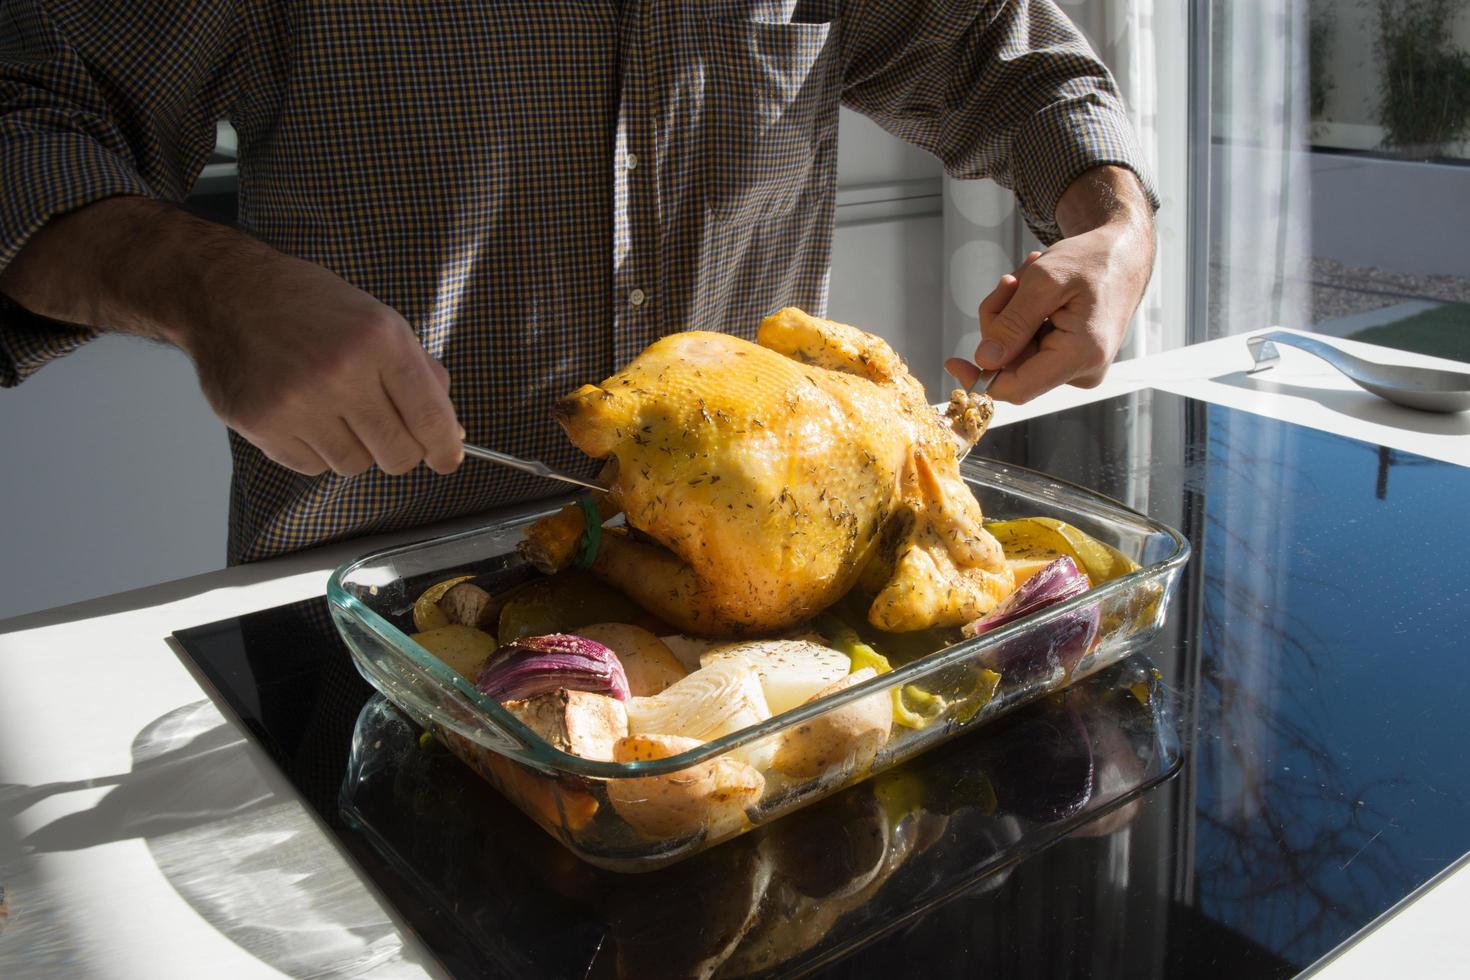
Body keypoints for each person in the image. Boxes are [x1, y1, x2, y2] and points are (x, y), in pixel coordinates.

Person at [0, 1, 1156, 564]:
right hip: (380, 608)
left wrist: (1114, 221)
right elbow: (26, 113)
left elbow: (1001, 52)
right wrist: (211, 282)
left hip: (754, 605)